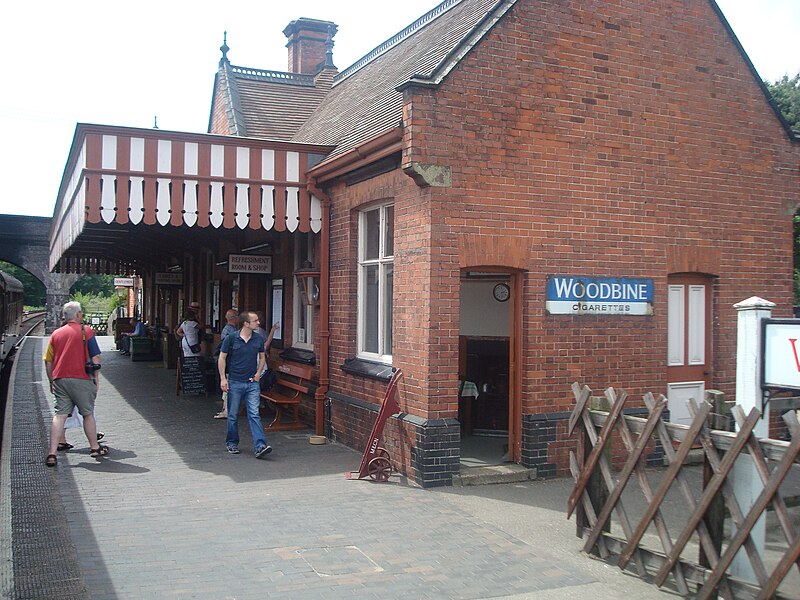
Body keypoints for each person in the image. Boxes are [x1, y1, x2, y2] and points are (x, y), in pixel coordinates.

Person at [43, 301, 108, 466]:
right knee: (87, 414)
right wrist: (97, 378)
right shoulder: (86, 331)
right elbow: (96, 358)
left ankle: (51, 453)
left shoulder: (56, 334)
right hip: (82, 378)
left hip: (60, 379)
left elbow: (48, 360)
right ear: (78, 315)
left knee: (59, 416)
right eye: (82, 314)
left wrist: (51, 380)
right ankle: (94, 448)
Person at [217, 311, 272, 458]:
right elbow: (222, 358)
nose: (258, 323)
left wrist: (259, 373)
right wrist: (223, 378)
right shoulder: (231, 338)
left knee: (254, 413)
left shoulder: (258, 339)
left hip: (252, 382)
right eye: (255, 321)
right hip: (234, 381)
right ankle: (232, 443)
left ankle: (260, 446)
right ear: (246, 324)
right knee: (233, 415)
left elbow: (262, 357)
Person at [213, 308, 239, 419]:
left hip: (226, 362)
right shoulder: (232, 332)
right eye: (237, 316)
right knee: (228, 386)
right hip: (229, 363)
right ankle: (227, 410)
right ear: (234, 318)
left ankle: (225, 409)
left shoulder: (225, 329)